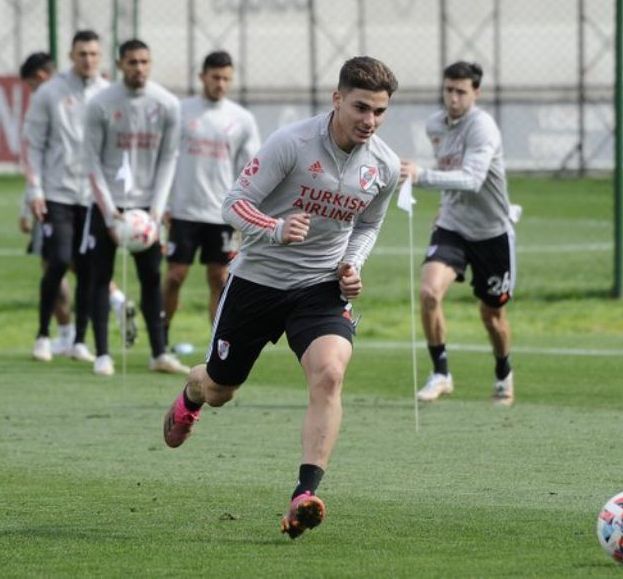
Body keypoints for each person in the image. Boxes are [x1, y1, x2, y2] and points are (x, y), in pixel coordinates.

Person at [162, 56, 400, 539]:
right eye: (360, 107)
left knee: (330, 373)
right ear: (337, 100)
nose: (369, 121)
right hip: (257, 282)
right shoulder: (291, 144)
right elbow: (233, 203)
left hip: (319, 288)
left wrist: (352, 264)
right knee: (221, 389)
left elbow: (369, 224)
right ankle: (192, 391)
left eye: (379, 111)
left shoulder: (384, 166)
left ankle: (303, 494)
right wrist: (273, 227)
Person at [400, 61, 516, 406]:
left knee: (492, 316)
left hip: (492, 231)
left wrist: (423, 176)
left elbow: (472, 179)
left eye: (461, 91)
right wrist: (443, 202)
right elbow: (451, 173)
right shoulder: (435, 124)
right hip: (452, 225)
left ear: (475, 93)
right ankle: (441, 373)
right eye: (448, 89)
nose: (452, 98)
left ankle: (503, 372)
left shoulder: (483, 129)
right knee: (429, 293)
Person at [84, 38, 188, 376]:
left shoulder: (168, 104)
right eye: (132, 62)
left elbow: (168, 159)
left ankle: (158, 352)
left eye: (144, 62)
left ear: (150, 63)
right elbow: (91, 161)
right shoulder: (99, 103)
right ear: (120, 65)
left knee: (151, 277)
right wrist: (111, 213)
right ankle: (102, 354)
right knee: (99, 277)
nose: (139, 68)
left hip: (147, 209)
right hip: (107, 207)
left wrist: (156, 212)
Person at [162, 50, 261, 347]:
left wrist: (247, 211)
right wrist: (164, 204)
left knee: (219, 279)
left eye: (226, 79)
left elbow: (252, 168)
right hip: (182, 210)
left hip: (222, 213)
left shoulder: (242, 119)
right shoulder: (181, 111)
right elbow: (165, 158)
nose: (221, 83)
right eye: (215, 77)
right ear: (202, 76)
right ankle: (161, 338)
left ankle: (216, 344)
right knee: (175, 276)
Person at [22, 33, 109, 364]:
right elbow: (33, 144)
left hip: (94, 197)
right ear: (71, 55)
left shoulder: (107, 94)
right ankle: (43, 334)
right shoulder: (50, 92)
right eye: (82, 53)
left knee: (88, 269)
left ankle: (79, 341)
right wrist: (35, 190)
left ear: (101, 57)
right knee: (58, 260)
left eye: (94, 54)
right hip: (57, 192)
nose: (88, 59)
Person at [18, 52, 73, 357]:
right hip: (77, 196)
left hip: (54, 198)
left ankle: (64, 334)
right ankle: (71, 335)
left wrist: (27, 205)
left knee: (54, 263)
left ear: (39, 77)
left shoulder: (48, 103)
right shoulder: (74, 97)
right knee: (74, 262)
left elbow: (33, 156)